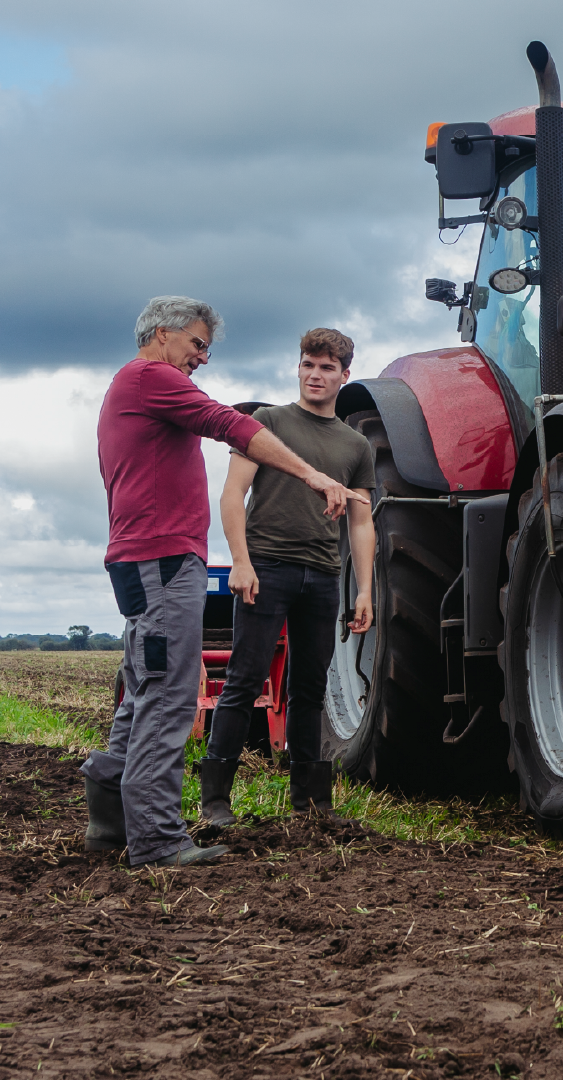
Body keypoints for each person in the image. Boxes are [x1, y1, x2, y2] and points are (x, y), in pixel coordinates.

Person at [86, 297, 367, 868]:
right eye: (197, 344)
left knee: (141, 690)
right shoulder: (150, 377)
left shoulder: (135, 386)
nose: (202, 358)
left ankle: (111, 825)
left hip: (148, 558)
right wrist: (312, 474)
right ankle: (158, 839)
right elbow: (228, 425)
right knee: (167, 695)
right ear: (162, 336)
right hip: (162, 561)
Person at [198, 328, 375, 827]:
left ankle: (312, 804)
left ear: (345, 375)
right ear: (298, 368)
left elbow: (362, 521)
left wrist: (364, 589)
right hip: (267, 567)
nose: (315, 375)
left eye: (326, 368)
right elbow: (233, 495)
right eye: (307, 365)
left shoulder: (355, 444)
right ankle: (216, 802)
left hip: (322, 573)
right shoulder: (267, 423)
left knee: (310, 688)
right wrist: (240, 561)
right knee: (244, 679)